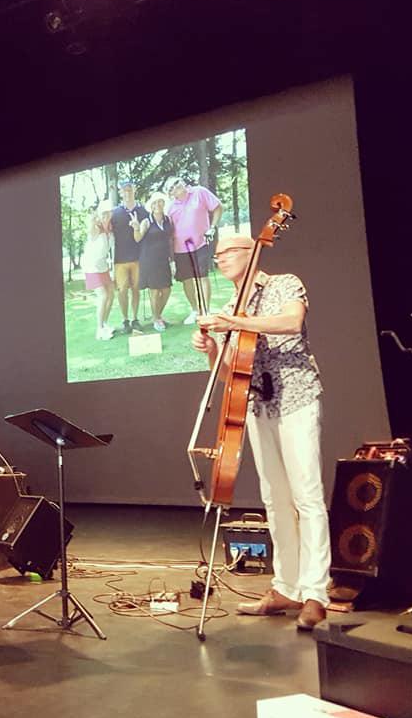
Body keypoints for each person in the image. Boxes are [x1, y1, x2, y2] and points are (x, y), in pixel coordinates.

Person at [190, 233, 329, 631]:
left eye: (227, 253)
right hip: (257, 403)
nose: (219, 259)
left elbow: (291, 322)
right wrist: (213, 350)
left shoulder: (284, 283)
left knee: (307, 496)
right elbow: (233, 371)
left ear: (251, 253)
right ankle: (286, 587)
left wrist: (233, 321)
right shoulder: (230, 305)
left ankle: (315, 591)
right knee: (275, 498)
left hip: (297, 396)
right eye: (215, 256)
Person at [164, 176, 224, 325]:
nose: (175, 187)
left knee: (202, 277)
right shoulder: (170, 208)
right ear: (170, 194)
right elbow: (169, 230)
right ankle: (195, 310)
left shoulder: (199, 192)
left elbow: (218, 207)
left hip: (200, 244)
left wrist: (212, 227)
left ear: (182, 182)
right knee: (187, 280)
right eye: (171, 188)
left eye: (176, 183)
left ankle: (206, 310)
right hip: (180, 249)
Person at [110, 179, 148, 334]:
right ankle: (125, 320)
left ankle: (135, 319)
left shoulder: (143, 210)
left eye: (129, 190)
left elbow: (143, 234)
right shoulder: (114, 212)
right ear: (120, 192)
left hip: (138, 258)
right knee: (122, 290)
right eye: (124, 190)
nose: (127, 193)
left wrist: (137, 228)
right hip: (119, 260)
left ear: (134, 190)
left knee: (136, 289)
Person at [135, 192, 174, 331]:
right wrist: (135, 227)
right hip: (149, 260)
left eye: (160, 202)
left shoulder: (168, 220)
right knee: (155, 291)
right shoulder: (146, 221)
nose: (158, 205)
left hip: (164, 260)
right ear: (151, 206)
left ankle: (158, 315)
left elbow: (170, 240)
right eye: (155, 203)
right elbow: (138, 238)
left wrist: (172, 260)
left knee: (167, 289)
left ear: (164, 204)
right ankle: (156, 319)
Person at [82, 199, 116, 340]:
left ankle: (105, 323)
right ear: (99, 214)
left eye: (108, 213)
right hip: (91, 267)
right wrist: (92, 219)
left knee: (111, 295)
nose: (106, 216)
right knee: (102, 296)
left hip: (103, 266)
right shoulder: (95, 228)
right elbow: (90, 230)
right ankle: (99, 329)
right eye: (103, 213)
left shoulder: (110, 230)